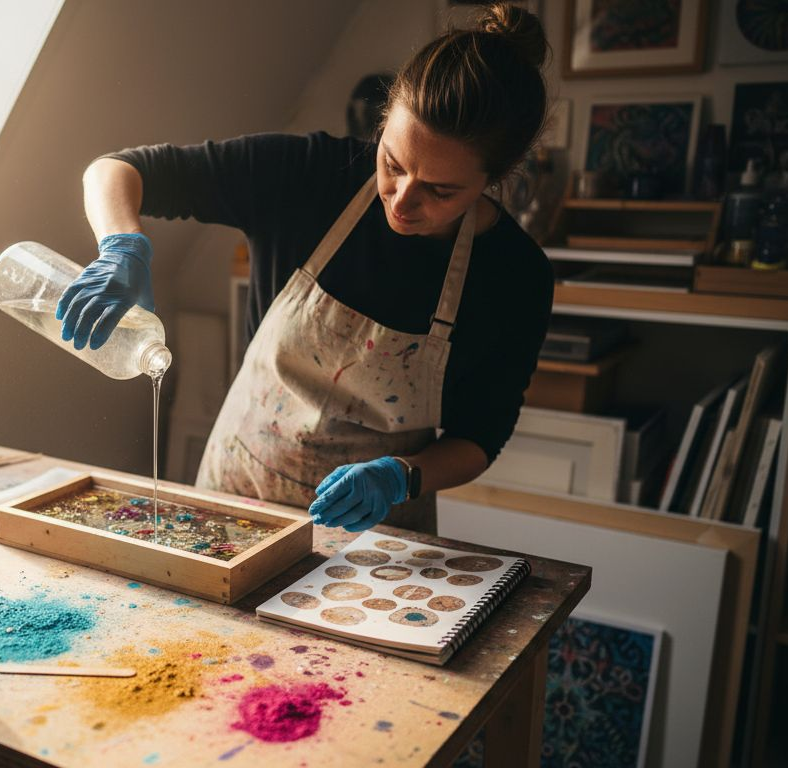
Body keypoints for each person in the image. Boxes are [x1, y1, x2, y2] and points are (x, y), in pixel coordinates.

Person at [57, 4, 554, 534]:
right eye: (392, 163)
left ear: (494, 178)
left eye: (440, 189)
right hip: (234, 507)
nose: (402, 201)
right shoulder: (307, 176)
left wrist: (398, 477)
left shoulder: (513, 276)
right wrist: (121, 246)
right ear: (383, 123)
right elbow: (116, 169)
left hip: (374, 538)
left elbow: (480, 438)